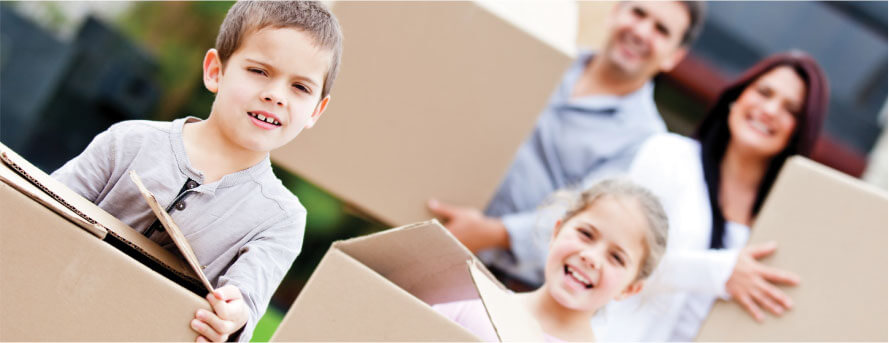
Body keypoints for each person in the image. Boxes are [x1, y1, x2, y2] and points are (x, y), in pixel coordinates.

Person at [50, 2, 343, 341]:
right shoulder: (130, 141)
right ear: (215, 71)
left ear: (316, 112)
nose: (276, 96)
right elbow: (44, 205)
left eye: (300, 88)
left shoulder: (281, 219)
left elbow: (245, 299)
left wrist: (233, 317)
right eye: (259, 71)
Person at [427, 1, 706, 286]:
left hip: (500, 282)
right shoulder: (539, 56)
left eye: (661, 30)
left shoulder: (645, 141)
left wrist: (493, 233)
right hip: (424, 217)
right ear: (615, 13)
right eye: (638, 13)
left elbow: (589, 217)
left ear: (674, 56)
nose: (642, 31)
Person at [595, 51, 830, 341]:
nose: (769, 109)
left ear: (799, 132)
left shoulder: (786, 220)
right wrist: (719, 273)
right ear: (737, 97)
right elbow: (613, 258)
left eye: (790, 110)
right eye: (764, 92)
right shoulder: (668, 156)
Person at [434, 178, 669, 342]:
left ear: (630, 288)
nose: (591, 258)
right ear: (556, 232)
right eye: (586, 234)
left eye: (616, 257)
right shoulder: (466, 307)